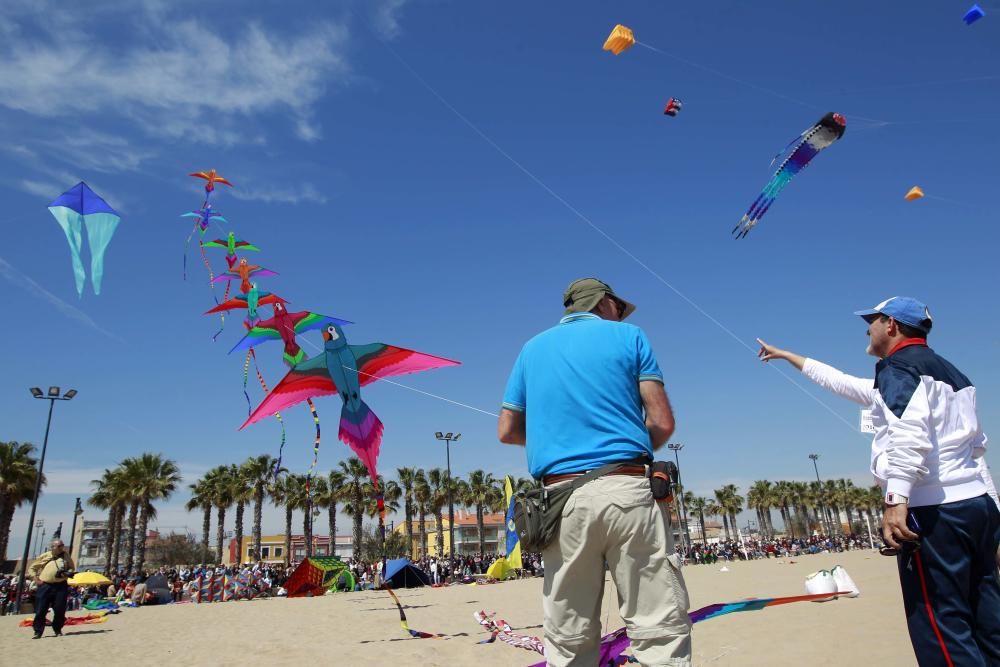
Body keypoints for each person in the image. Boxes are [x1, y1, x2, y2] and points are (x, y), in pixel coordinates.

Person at [757, 296, 1000, 665]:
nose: (866, 329)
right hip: (975, 506)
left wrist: (895, 500)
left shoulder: (897, 369)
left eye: (871, 321)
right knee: (987, 615)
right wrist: (789, 356)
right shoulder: (953, 374)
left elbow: (908, 434)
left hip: (935, 513)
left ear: (891, 325)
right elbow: (975, 449)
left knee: (941, 624)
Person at [498, 277, 691, 666]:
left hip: (560, 501)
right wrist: (625, 449)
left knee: (568, 636)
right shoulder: (630, 336)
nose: (620, 314)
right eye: (618, 306)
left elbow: (507, 431)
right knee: (658, 629)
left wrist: (554, 441)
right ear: (603, 302)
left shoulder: (531, 349)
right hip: (629, 488)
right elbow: (663, 422)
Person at [28, 539, 75, 639]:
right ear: (52, 547)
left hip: (61, 585)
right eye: (59, 546)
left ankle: (57, 629)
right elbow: (32, 568)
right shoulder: (45, 556)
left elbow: (72, 567)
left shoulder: (65, 556)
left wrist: (68, 572)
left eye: (62, 545)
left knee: (59, 610)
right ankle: (38, 631)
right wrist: (36, 579)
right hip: (45, 586)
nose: (61, 547)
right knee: (41, 609)